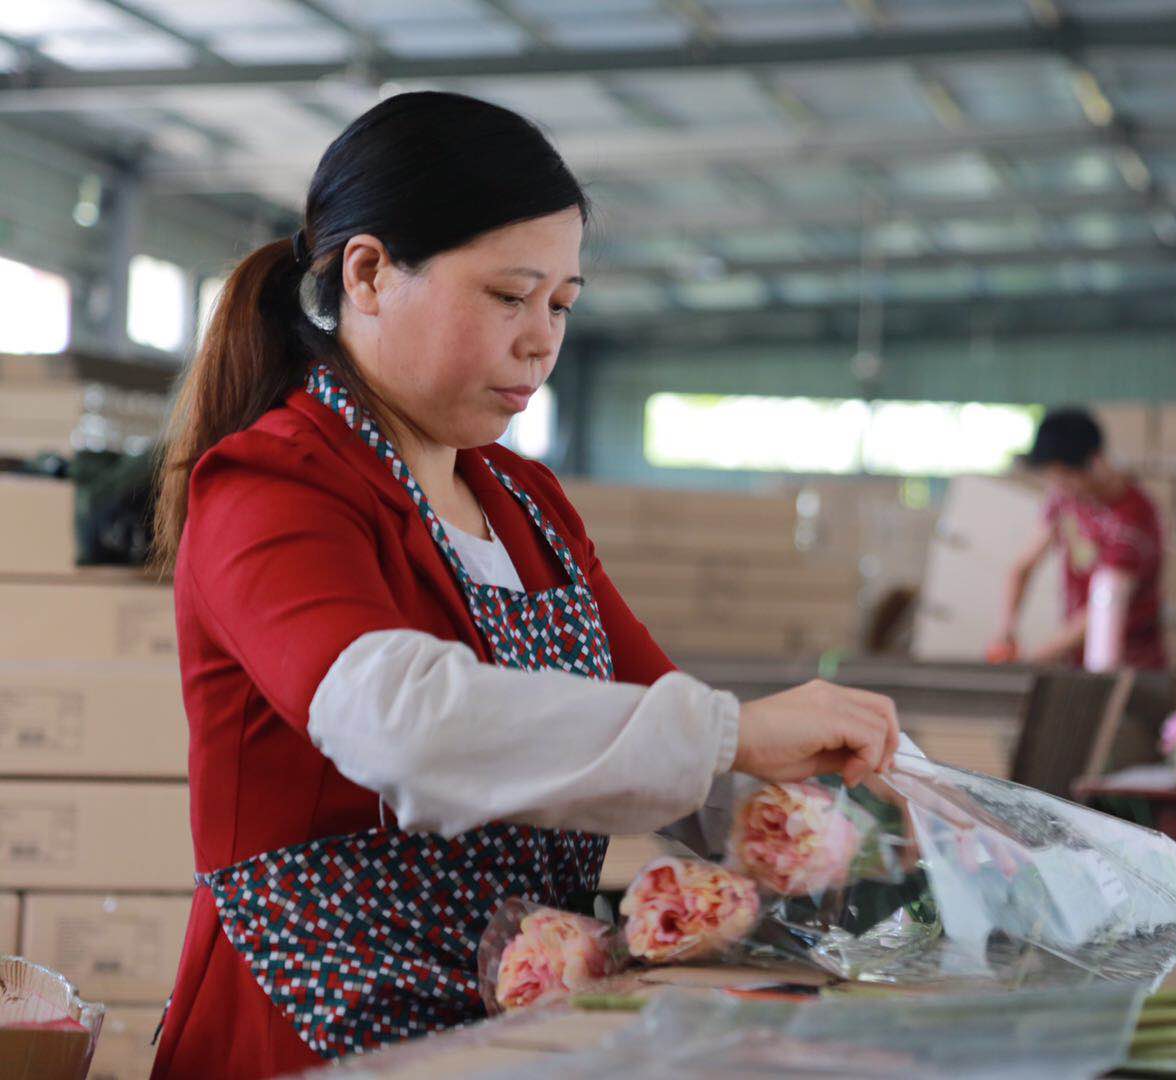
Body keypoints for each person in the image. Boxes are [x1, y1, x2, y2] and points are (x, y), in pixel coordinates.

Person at [147, 91, 900, 1079]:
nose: (542, 341)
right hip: (309, 1029)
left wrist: (818, 818)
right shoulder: (276, 481)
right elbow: (399, 722)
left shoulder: (525, 503)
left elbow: (649, 724)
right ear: (368, 273)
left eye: (562, 305)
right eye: (509, 296)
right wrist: (732, 735)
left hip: (509, 1018)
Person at [990, 407, 1166, 670]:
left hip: (1129, 668)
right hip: (1079, 663)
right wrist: (1007, 629)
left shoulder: (1131, 520)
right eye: (1053, 478)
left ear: (1095, 462)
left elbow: (1100, 611)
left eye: (1064, 476)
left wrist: (1031, 661)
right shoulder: (1066, 500)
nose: (1058, 486)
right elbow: (1023, 567)